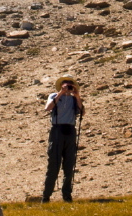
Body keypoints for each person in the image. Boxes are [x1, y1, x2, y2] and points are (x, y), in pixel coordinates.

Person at [42, 75, 84, 203]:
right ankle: (46, 196)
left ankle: (67, 195)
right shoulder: (54, 96)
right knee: (53, 165)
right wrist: (61, 93)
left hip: (70, 131)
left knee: (69, 165)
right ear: (61, 85)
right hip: (57, 131)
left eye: (70, 84)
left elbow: (82, 112)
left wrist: (77, 96)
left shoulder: (74, 99)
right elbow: (48, 108)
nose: (68, 86)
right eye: (65, 84)